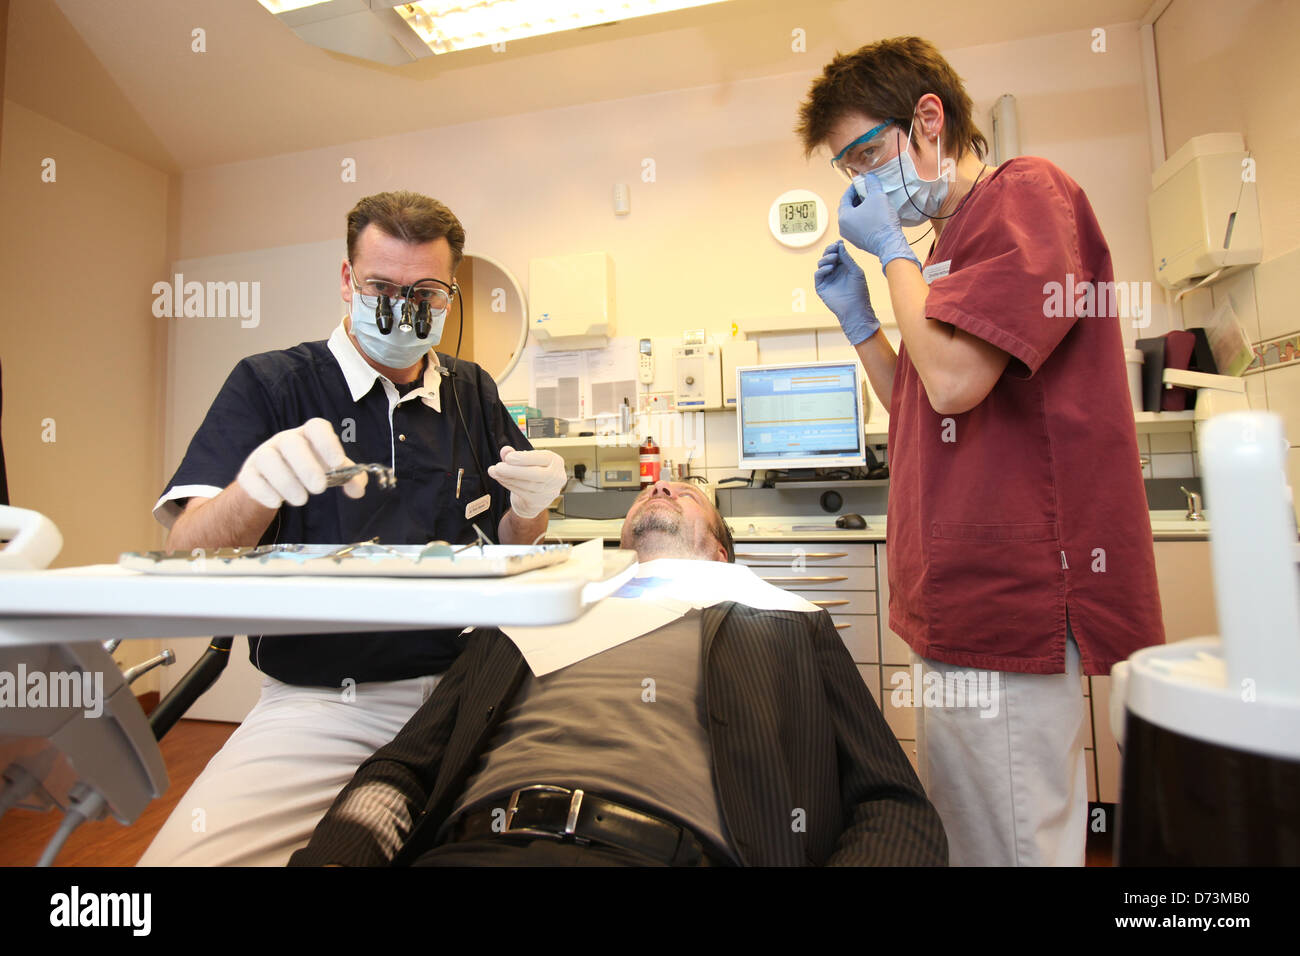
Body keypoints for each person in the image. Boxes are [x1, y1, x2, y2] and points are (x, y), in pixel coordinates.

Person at [797, 37, 1163, 866]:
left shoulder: (1024, 195)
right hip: (960, 595)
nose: (860, 184)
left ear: (928, 119)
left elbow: (958, 381)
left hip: (1013, 595)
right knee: (972, 830)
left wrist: (890, 254)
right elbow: (920, 405)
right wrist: (862, 323)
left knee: (1009, 840)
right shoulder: (943, 247)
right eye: (845, 169)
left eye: (865, 154)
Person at [139, 191, 568, 866]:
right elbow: (186, 552)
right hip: (323, 707)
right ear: (347, 281)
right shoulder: (272, 385)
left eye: (425, 290)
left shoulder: (472, 392)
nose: (404, 307)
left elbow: (517, 550)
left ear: (450, 294)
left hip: (468, 695)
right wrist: (253, 489)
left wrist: (529, 509)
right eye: (381, 286)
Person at [288, 480, 948, 867]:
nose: (658, 487)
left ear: (720, 550)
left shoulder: (782, 621)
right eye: (648, 491)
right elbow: (406, 767)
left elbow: (894, 805)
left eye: (685, 493)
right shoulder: (532, 611)